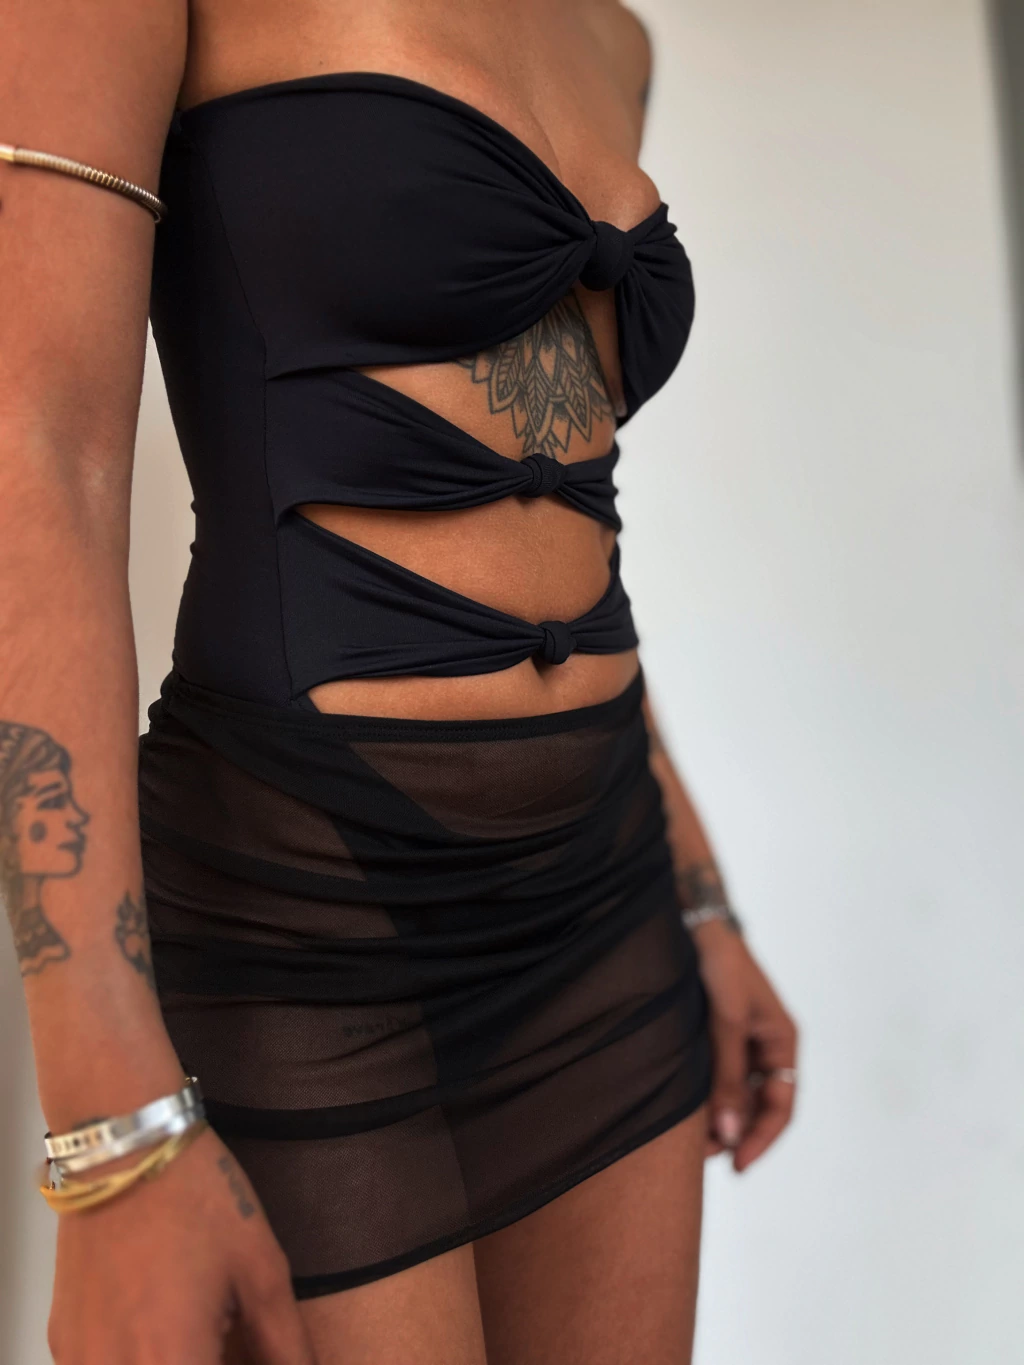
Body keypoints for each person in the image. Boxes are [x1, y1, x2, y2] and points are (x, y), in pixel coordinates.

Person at [0, 2, 798, 1361]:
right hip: (304, 903)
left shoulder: (610, 37)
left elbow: (557, 518)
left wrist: (699, 891)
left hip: (605, 897)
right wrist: (110, 1134)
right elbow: (42, 461)